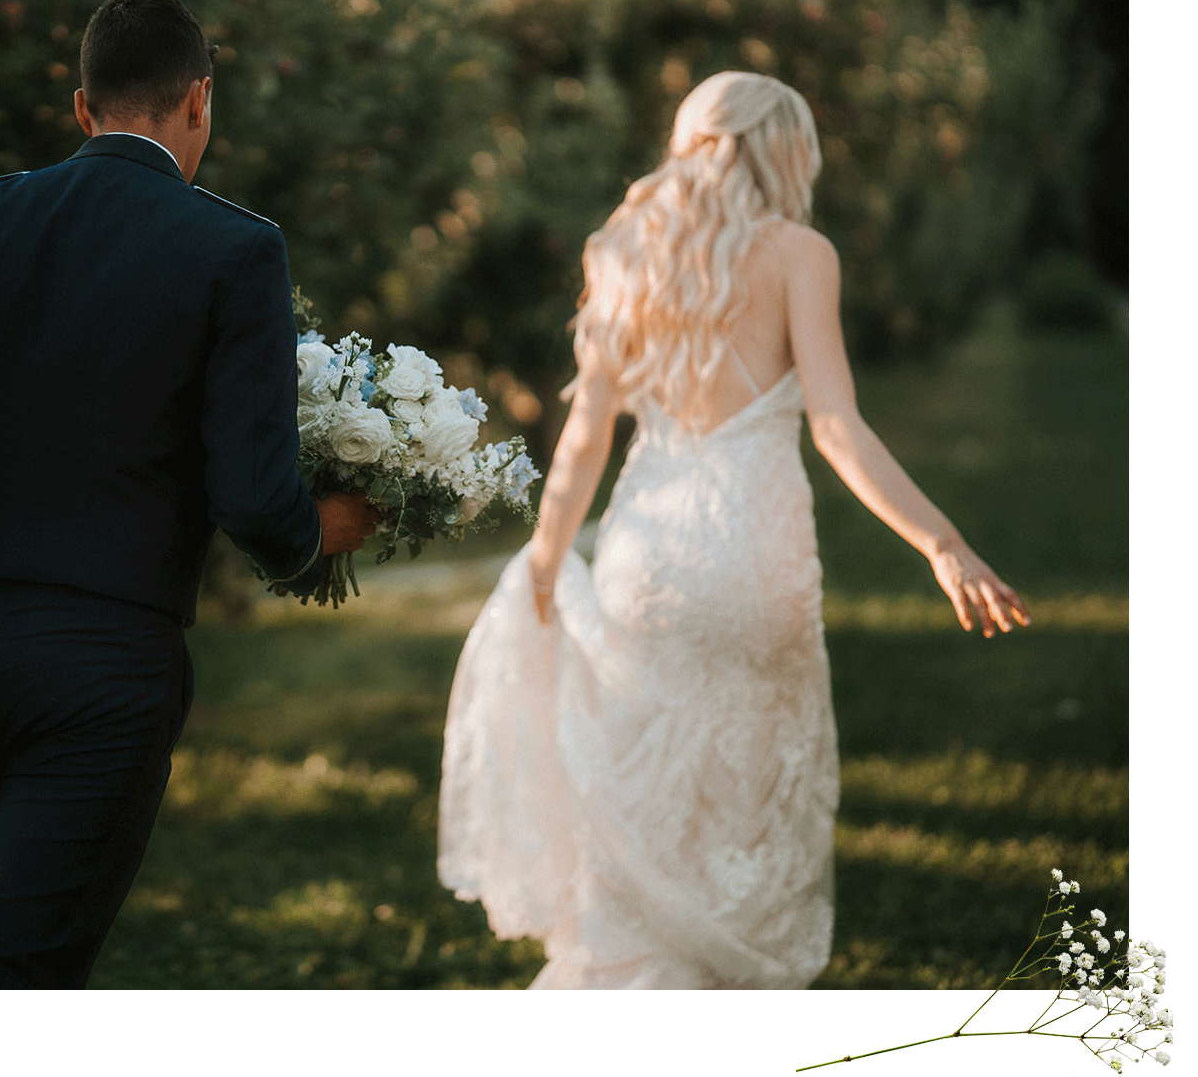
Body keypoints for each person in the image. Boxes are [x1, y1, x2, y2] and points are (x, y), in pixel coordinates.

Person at [0, 0, 377, 988]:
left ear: (83, 109)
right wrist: (321, 529)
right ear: (199, 103)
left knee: (17, 944)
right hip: (102, 670)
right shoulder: (236, 250)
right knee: (18, 974)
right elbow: (255, 504)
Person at [437, 71, 1029, 989]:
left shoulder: (623, 246)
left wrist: (550, 558)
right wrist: (941, 540)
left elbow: (586, 432)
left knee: (651, 787)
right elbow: (837, 425)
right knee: (747, 790)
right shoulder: (801, 254)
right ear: (780, 148)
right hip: (757, 550)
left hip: (651, 553)